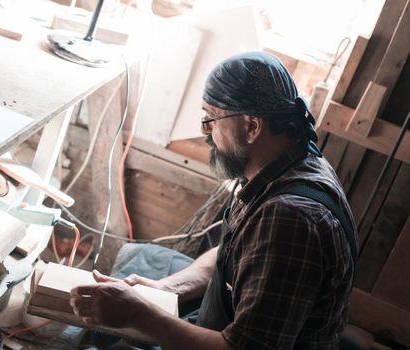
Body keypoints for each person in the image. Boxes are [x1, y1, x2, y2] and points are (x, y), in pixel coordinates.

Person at [70, 52, 357, 349]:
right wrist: (166, 290)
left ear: (252, 127)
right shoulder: (287, 163)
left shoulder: (289, 219)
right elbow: (234, 254)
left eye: (211, 119)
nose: (204, 130)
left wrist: (140, 314)